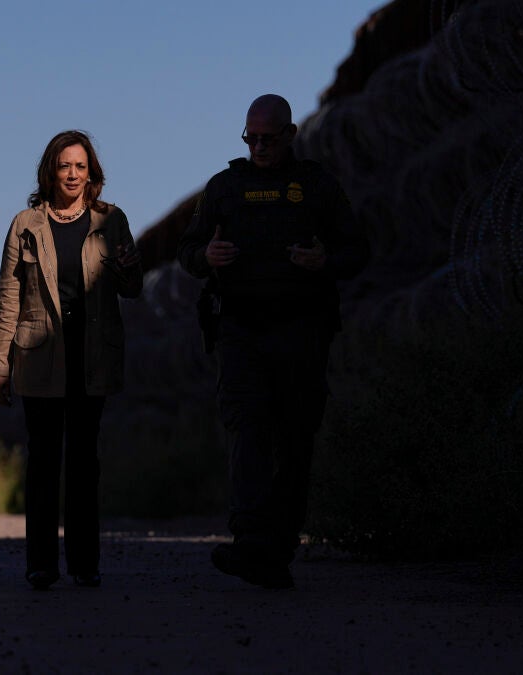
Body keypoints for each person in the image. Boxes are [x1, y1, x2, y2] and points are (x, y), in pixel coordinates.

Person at [177, 94, 369, 588]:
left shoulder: (317, 186)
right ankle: (250, 540)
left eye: (268, 139)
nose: (259, 147)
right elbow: (188, 249)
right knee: (247, 427)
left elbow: (357, 251)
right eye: (251, 138)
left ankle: (277, 549)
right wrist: (206, 256)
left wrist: (324, 261)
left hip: (302, 329)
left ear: (290, 135)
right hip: (240, 328)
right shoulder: (224, 187)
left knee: (294, 437)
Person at [0, 130, 142, 590]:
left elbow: (133, 288)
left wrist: (128, 268)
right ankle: (41, 564)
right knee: (42, 461)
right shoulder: (25, 224)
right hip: (39, 357)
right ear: (50, 172)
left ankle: (84, 564)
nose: (73, 174)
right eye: (64, 166)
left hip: (92, 357)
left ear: (91, 172)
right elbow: (8, 299)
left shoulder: (112, 220)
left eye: (80, 166)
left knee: (83, 462)